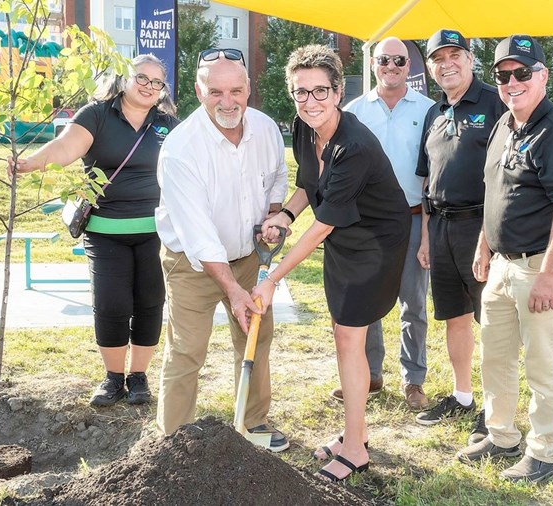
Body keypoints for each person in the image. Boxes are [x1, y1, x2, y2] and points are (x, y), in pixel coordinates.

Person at [253, 44, 410, 482]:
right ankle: (352, 432)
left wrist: (272, 281)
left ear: (339, 91)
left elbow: (321, 226)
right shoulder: (305, 128)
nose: (310, 102)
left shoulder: (353, 146)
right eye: (300, 93)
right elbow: (309, 184)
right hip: (344, 234)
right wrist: (284, 214)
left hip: (376, 242)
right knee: (344, 334)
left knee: (348, 339)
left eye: (320, 91)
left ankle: (356, 448)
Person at [8, 54, 179, 407]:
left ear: (163, 89)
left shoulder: (167, 124)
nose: (148, 86)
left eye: (156, 82)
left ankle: (139, 377)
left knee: (149, 302)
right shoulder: (97, 114)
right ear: (123, 79)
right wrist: (28, 164)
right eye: (140, 78)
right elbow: (65, 149)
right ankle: (113, 378)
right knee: (111, 304)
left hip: (156, 230)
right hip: (104, 229)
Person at [455, 35, 553, 483]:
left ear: (543, 76)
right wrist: (483, 245)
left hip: (538, 266)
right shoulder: (504, 124)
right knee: (496, 357)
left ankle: (545, 451)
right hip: (501, 264)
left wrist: (551, 275)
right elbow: (495, 192)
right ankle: (501, 434)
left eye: (522, 73)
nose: (512, 82)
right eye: (503, 75)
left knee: (543, 363)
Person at [154, 49, 290, 452]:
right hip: (190, 263)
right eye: (216, 91)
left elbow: (278, 176)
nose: (227, 102)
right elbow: (199, 236)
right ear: (199, 91)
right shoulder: (181, 149)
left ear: (249, 88)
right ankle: (174, 443)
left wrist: (274, 212)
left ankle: (252, 423)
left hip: (249, 255)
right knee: (186, 351)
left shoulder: (265, 129)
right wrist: (232, 291)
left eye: (236, 90)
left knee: (255, 338)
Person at [414, 29, 507, 440]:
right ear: (431, 68)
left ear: (471, 59)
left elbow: (506, 179)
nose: (446, 63)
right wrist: (424, 237)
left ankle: (494, 408)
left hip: (481, 226)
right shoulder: (434, 113)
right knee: (454, 316)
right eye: (438, 58)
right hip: (441, 227)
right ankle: (463, 396)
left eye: (455, 54)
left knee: (491, 322)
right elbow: (426, 181)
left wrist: (487, 240)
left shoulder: (496, 103)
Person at [334, 37, 435, 411]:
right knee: (367, 303)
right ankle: (370, 374)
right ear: (373, 64)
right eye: (383, 60)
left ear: (409, 66)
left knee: (414, 303)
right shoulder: (353, 111)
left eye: (399, 60)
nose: (391, 66)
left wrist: (426, 231)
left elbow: (431, 177)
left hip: (411, 219)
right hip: (368, 223)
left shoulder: (429, 111)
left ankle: (414, 380)